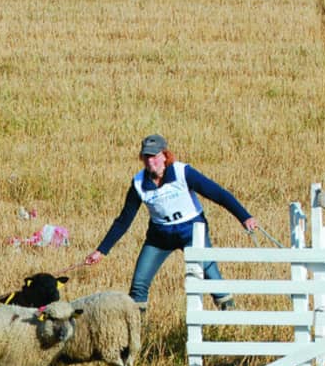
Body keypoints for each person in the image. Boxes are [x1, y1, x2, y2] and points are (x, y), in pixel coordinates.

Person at [83, 133, 259, 312]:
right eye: (146, 156)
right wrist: (101, 250)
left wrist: (244, 217)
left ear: (165, 156)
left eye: (154, 156)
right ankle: (137, 330)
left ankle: (228, 315)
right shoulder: (138, 184)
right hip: (159, 237)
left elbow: (219, 194)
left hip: (191, 231)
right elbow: (123, 220)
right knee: (139, 284)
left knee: (211, 275)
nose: (151, 161)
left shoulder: (183, 172)